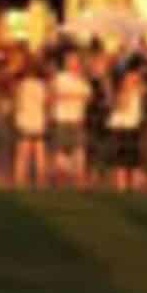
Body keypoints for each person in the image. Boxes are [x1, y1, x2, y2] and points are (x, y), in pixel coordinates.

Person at [49, 45, 93, 186]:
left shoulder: (82, 79)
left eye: (75, 60)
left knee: (79, 148)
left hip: (77, 118)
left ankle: (79, 177)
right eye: (70, 60)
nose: (73, 63)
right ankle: (61, 177)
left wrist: (73, 95)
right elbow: (54, 95)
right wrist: (74, 96)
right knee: (61, 149)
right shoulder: (60, 77)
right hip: (62, 118)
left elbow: (88, 97)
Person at [108, 55, 147, 192]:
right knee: (122, 157)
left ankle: (134, 185)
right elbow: (121, 105)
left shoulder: (138, 86)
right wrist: (128, 90)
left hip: (133, 124)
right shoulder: (125, 86)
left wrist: (138, 89)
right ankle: (122, 185)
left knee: (134, 156)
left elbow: (144, 94)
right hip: (122, 125)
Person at [12, 51, 50, 188]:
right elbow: (47, 103)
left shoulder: (21, 85)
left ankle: (19, 182)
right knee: (39, 152)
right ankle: (41, 183)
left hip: (24, 119)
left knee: (22, 153)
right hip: (38, 120)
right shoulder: (42, 86)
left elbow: (16, 102)